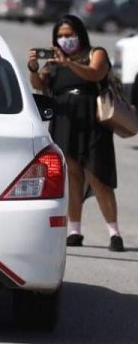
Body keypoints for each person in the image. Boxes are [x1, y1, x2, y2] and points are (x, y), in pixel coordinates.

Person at [27, 14, 123, 252]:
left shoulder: (95, 53)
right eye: (60, 36)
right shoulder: (54, 62)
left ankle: (114, 233)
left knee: (99, 177)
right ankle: (75, 231)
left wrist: (68, 63)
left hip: (93, 121)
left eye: (69, 35)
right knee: (72, 177)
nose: (65, 39)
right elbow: (40, 85)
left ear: (80, 34)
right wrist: (33, 69)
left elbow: (95, 74)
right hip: (64, 121)